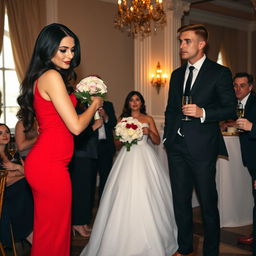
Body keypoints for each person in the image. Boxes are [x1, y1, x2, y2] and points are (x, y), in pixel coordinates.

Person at [17, 23, 103, 256]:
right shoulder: (52, 76)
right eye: (63, 49)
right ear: (48, 49)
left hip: (48, 163)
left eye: (72, 50)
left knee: (50, 232)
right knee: (53, 234)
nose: (70, 55)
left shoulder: (45, 77)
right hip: (50, 166)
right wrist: (95, 103)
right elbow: (75, 127)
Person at [163, 24, 237, 256]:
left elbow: (230, 109)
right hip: (176, 148)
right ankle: (184, 249)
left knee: (207, 204)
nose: (181, 46)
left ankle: (210, 252)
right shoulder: (176, 74)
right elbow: (170, 110)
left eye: (187, 41)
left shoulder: (219, 73)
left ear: (201, 44)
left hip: (203, 148)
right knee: (180, 201)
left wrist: (203, 112)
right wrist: (168, 137)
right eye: (180, 42)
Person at [80, 91, 178, 256]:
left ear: (142, 103)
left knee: (147, 191)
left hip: (145, 157)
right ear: (128, 103)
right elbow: (117, 144)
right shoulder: (121, 120)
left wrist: (148, 132)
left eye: (137, 100)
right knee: (122, 193)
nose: (134, 102)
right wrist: (125, 137)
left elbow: (157, 141)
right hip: (126, 157)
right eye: (131, 100)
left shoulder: (148, 119)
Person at [70, 100, 116, 238]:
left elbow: (113, 123)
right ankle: (80, 222)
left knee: (95, 187)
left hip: (99, 150)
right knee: (83, 188)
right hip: (84, 151)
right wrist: (95, 126)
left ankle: (85, 222)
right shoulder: (80, 106)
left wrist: (105, 116)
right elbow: (78, 131)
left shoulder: (107, 105)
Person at [230, 72, 256, 253]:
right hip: (250, 159)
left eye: (242, 85)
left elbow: (250, 126)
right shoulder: (238, 104)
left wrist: (251, 127)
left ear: (251, 87)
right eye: (235, 85)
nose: (238, 89)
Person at [0, 123, 33, 246]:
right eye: (0, 133)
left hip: (17, 193)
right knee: (24, 184)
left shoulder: (14, 154)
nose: (5, 135)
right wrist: (20, 173)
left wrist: (16, 167)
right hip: (3, 197)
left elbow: (28, 172)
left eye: (7, 132)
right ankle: (30, 233)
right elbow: (5, 181)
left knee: (28, 186)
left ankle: (33, 230)